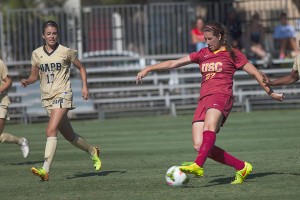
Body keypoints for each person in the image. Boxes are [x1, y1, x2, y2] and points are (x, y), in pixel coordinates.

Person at [136, 21, 284, 184]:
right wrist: (149, 68)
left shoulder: (233, 54)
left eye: (210, 39)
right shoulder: (202, 53)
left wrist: (270, 92)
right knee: (199, 145)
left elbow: (256, 73)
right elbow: (173, 63)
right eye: (205, 39)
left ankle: (198, 165)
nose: (207, 42)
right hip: (204, 99)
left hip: (221, 96)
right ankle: (242, 167)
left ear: (220, 37)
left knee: (209, 128)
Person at [21, 21, 101, 181]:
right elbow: (34, 76)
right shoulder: (36, 53)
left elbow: (82, 68)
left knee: (50, 130)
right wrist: (28, 81)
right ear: (43, 35)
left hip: (63, 94)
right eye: (49, 33)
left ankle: (45, 169)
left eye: (54, 33)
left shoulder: (65, 51)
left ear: (58, 34)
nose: (52, 36)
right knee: (69, 135)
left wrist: (85, 86)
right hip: (47, 98)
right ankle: (93, 151)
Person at [0, 59, 29, 158]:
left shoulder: (0, 63)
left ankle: (21, 141)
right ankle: (21, 141)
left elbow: (9, 82)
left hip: (1, 102)